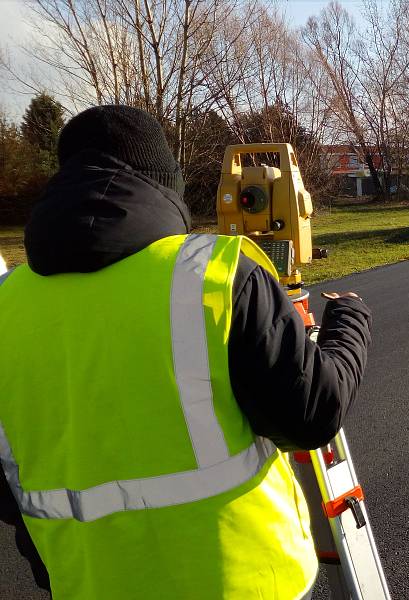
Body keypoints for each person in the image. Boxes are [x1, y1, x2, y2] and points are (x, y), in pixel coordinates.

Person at [0, 106, 372, 599]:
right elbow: (312, 413)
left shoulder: (7, 306)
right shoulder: (213, 277)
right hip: (244, 583)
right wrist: (351, 322)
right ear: (162, 182)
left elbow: (12, 490)